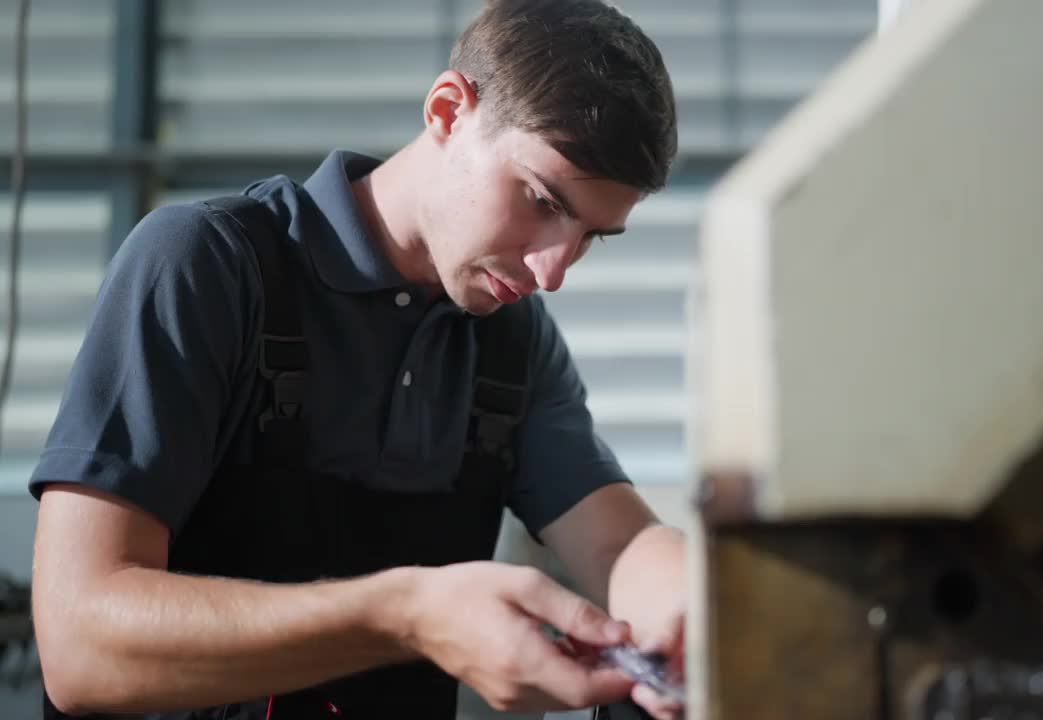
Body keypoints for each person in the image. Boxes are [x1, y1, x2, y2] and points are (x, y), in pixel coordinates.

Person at [26, 0, 686, 718]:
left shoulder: (510, 342)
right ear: (447, 110)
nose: (553, 271)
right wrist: (402, 614)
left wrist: (689, 612)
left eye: (592, 235)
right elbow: (78, 646)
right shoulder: (205, 267)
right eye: (540, 200)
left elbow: (620, 546)